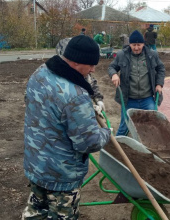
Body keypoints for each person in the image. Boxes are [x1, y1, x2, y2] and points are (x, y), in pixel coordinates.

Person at [22, 35, 111, 219]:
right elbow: (88, 143)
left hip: (36, 163)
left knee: (36, 211)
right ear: (77, 62)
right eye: (91, 65)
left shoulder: (40, 73)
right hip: (61, 175)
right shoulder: (76, 96)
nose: (93, 69)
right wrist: (106, 133)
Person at [108, 30, 165, 136]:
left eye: (139, 45)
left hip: (147, 98)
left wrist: (159, 84)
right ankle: (118, 148)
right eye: (134, 45)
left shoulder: (152, 55)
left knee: (152, 123)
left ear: (143, 44)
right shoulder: (122, 55)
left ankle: (148, 148)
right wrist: (114, 74)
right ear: (129, 44)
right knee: (124, 126)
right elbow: (111, 67)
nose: (136, 48)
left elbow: (161, 68)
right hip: (129, 99)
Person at [55, 37, 106, 112]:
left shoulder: (81, 71)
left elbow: (90, 83)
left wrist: (98, 100)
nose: (93, 70)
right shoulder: (56, 77)